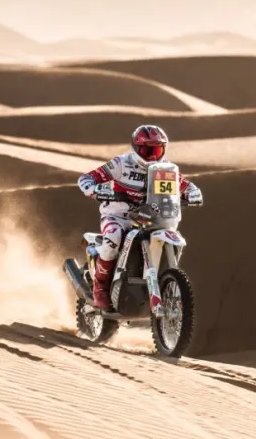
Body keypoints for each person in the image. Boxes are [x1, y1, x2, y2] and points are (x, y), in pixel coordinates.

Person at [76, 124, 203, 309]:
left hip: (151, 217)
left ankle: (163, 282)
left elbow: (185, 185)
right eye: (147, 150)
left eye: (157, 149)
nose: (152, 155)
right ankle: (100, 287)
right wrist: (96, 191)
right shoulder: (121, 164)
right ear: (136, 148)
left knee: (171, 237)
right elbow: (87, 179)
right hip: (118, 216)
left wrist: (194, 193)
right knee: (114, 236)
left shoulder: (166, 170)